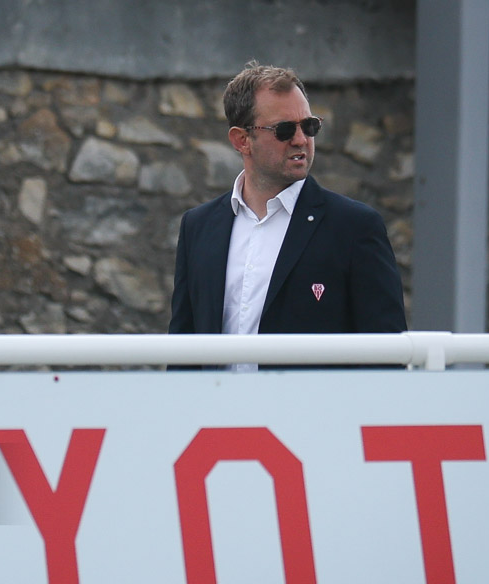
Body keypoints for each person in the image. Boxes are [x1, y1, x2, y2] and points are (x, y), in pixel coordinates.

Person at [168, 62, 407, 369]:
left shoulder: (354, 227)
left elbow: (386, 358)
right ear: (242, 140)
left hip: (310, 417)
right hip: (219, 415)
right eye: (284, 129)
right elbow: (182, 352)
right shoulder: (198, 227)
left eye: (309, 127)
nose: (300, 140)